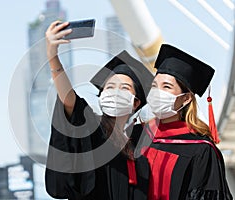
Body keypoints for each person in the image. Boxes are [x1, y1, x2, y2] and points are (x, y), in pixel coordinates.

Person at [44, 20, 153, 200]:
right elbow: (70, 101)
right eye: (109, 87)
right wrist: (52, 56)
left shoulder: (141, 143)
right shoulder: (92, 127)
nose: (115, 92)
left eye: (125, 88)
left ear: (135, 102)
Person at [143, 44, 233, 199]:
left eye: (167, 87)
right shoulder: (136, 137)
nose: (158, 92)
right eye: (154, 86)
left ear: (185, 99)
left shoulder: (201, 150)